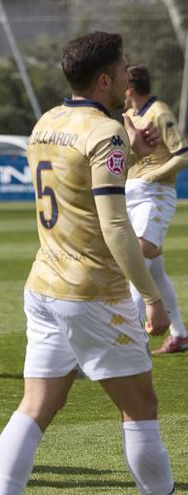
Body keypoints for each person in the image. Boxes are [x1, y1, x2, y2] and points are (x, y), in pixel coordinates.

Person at [0, 32, 174, 495]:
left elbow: (77, 167)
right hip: (93, 292)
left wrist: (129, 142)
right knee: (141, 408)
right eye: (124, 69)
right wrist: (152, 298)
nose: (128, 83)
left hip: (44, 286)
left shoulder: (47, 121)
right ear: (105, 79)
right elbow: (115, 227)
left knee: (35, 407)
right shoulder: (106, 132)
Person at [123, 64, 188, 354]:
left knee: (138, 263)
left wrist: (154, 175)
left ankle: (131, 342)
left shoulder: (159, 110)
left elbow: (183, 153)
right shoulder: (131, 115)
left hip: (155, 195)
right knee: (156, 272)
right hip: (135, 195)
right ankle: (180, 336)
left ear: (130, 88)